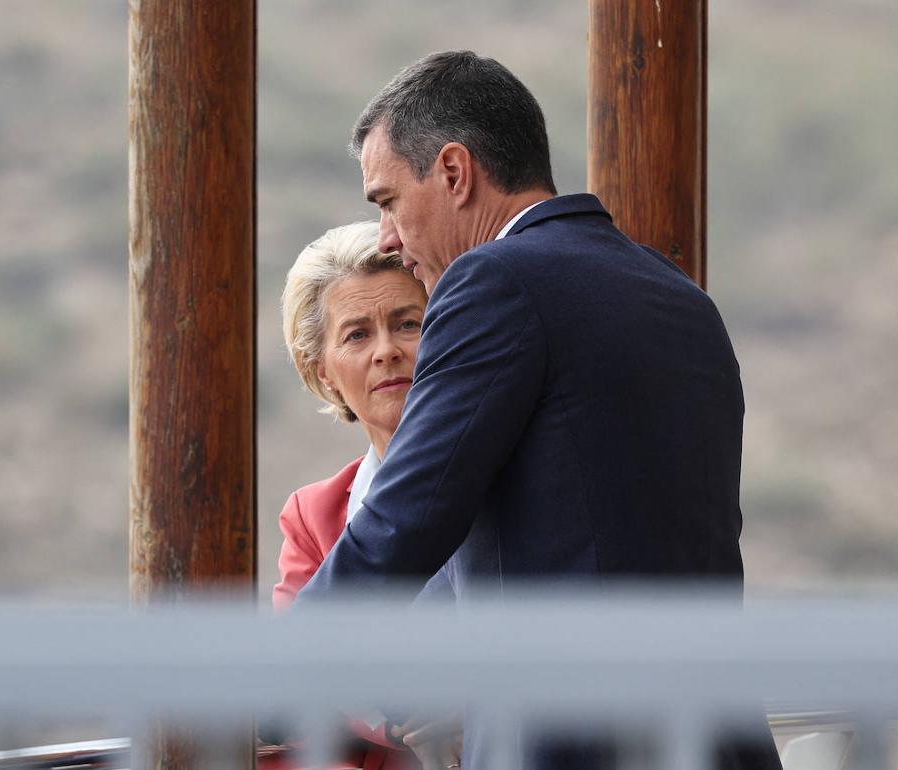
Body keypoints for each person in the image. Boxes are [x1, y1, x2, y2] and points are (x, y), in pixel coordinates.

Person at [293, 51, 781, 770]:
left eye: (388, 201)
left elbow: (409, 518)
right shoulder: (680, 296)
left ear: (455, 173)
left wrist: (268, 665)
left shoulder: (492, 282)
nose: (389, 237)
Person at [274, 220, 457, 770]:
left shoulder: (522, 475)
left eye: (408, 324)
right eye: (356, 335)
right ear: (322, 372)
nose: (388, 351)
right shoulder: (314, 515)